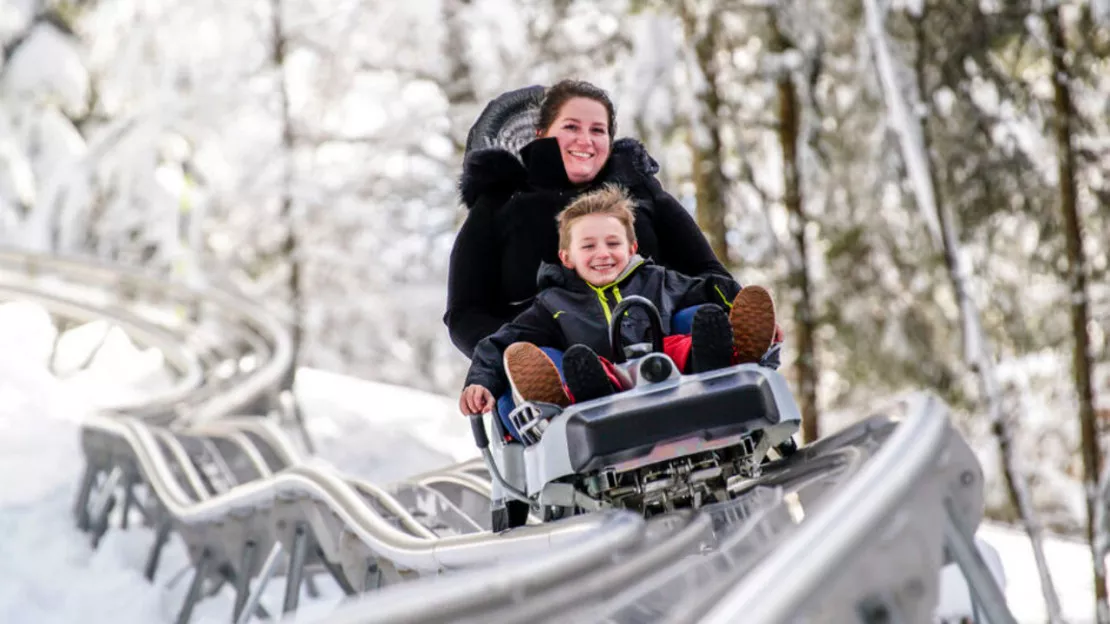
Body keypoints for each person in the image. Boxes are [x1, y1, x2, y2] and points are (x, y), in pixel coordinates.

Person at [444, 79, 733, 360]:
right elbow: (464, 313)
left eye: (598, 130)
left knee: (703, 318)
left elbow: (707, 270)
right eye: (571, 127)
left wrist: (732, 308)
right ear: (541, 132)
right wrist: (517, 350)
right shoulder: (499, 205)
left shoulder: (639, 189)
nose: (586, 140)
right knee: (545, 364)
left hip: (661, 341)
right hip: (555, 353)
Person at [458, 185, 778, 417]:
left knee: (702, 322)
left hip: (669, 368)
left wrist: (741, 309)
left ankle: (724, 367)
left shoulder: (659, 280)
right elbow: (500, 343)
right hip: (603, 378)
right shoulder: (553, 304)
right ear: (566, 257)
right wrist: (480, 382)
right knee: (578, 363)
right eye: (588, 246)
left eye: (613, 242)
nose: (603, 253)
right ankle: (578, 400)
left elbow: (710, 288)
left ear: (632, 248)